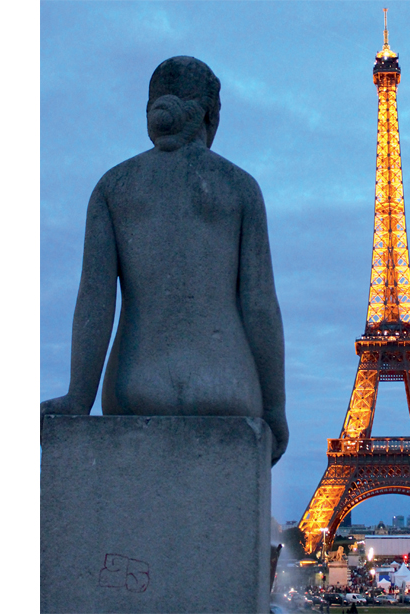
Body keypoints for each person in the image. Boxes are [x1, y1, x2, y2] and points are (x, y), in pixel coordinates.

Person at [40, 56, 288, 464]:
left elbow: (95, 300)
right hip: (226, 385)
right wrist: (275, 411)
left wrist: (78, 398)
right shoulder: (241, 188)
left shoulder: (114, 186)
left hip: (134, 385)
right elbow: (259, 306)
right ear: (211, 115)